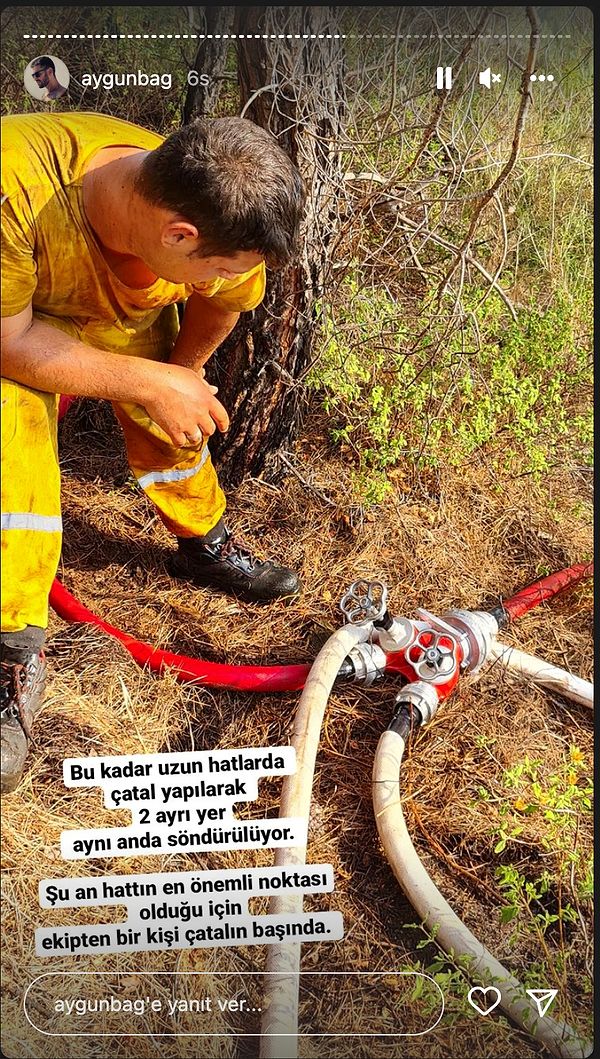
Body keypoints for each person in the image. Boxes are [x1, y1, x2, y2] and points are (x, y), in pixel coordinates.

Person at [1, 111, 305, 793]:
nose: (220, 280)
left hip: (113, 312)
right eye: (214, 268)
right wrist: (151, 380)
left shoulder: (214, 203)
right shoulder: (13, 190)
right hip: (12, 325)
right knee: (9, 429)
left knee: (174, 406)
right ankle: (11, 647)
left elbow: (226, 297)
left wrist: (182, 373)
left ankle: (205, 543)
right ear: (179, 235)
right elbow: (8, 340)